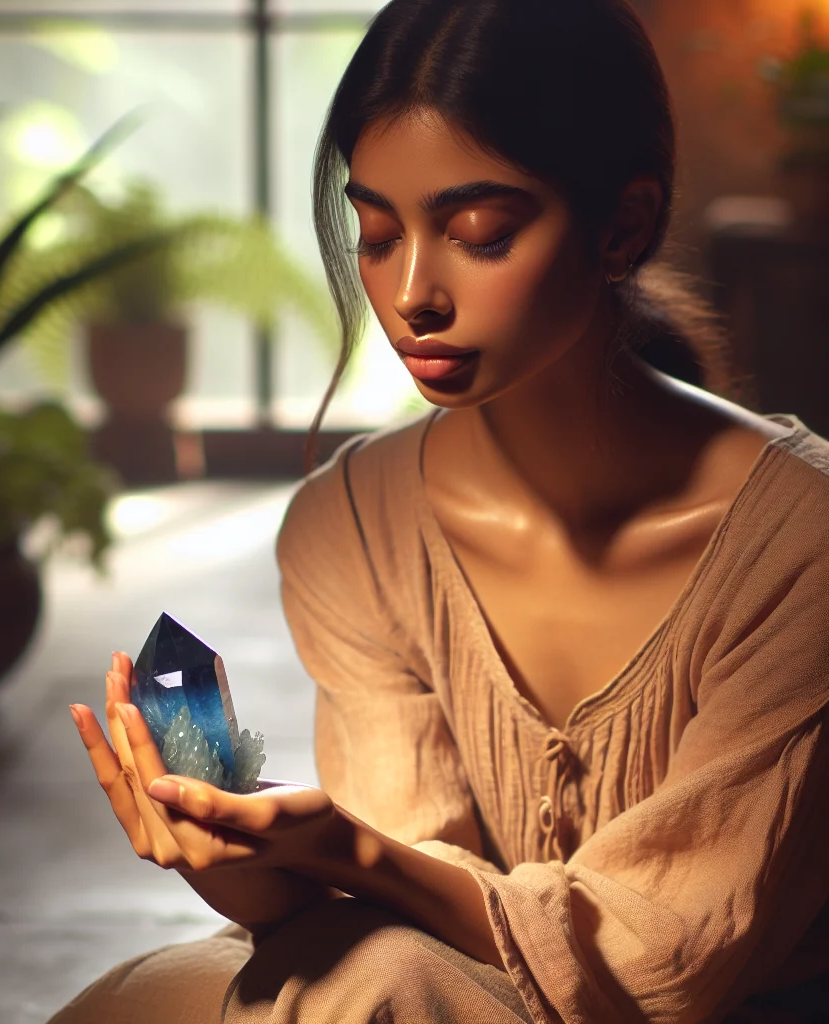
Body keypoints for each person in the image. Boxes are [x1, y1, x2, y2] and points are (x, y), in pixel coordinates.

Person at [52, 1, 829, 1021]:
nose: (412, 290)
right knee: (163, 997)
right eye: (376, 233)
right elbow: (404, 903)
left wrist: (347, 850)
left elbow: (664, 959)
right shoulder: (355, 524)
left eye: (477, 233)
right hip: (442, 987)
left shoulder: (799, 539)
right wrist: (237, 863)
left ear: (623, 226)